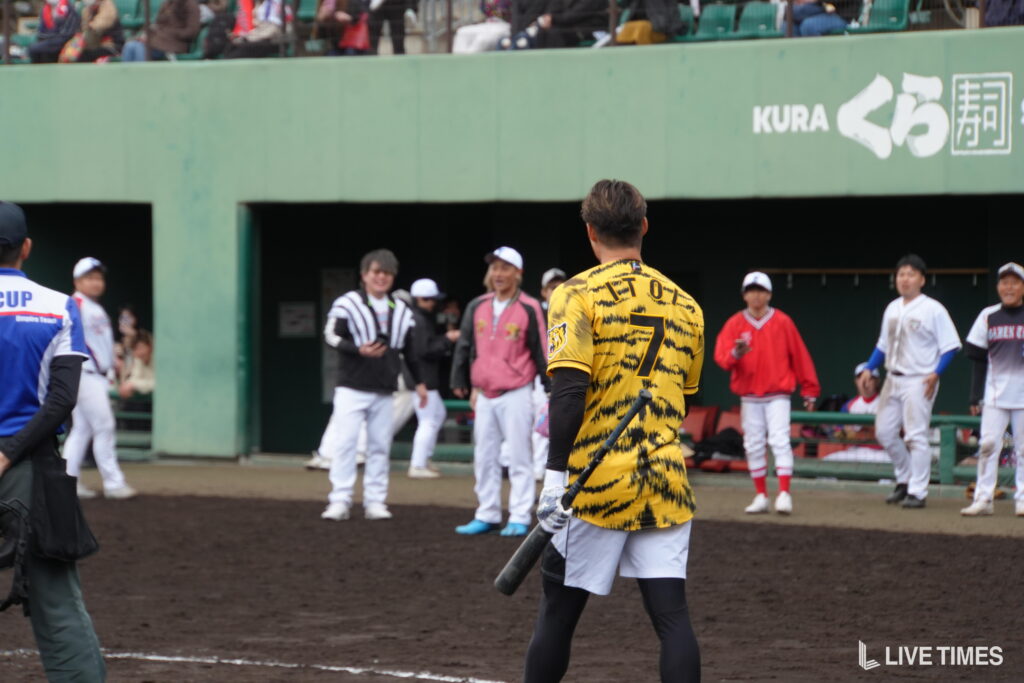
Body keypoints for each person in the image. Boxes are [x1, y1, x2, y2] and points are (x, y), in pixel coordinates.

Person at [523, 179, 704, 682]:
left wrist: (555, 478)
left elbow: (568, 393)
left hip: (593, 481)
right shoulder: (687, 304)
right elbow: (684, 397)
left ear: (590, 233)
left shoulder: (573, 294)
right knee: (673, 620)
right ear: (643, 226)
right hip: (663, 477)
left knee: (557, 616)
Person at [0, 201, 106, 681]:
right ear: (26, 247)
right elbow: (63, 398)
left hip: (22, 464)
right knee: (58, 606)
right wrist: (8, 452)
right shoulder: (58, 305)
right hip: (33, 471)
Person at [319, 249, 427, 522]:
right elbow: (331, 335)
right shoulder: (348, 303)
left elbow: (410, 353)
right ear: (364, 275)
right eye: (376, 272)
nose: (381, 277)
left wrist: (421, 384)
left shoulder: (401, 310)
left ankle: (375, 501)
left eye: (387, 273)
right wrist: (357, 349)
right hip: (351, 388)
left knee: (379, 446)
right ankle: (339, 500)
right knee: (346, 444)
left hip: (384, 389)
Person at [450, 246, 547, 537]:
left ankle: (519, 515)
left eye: (506, 268)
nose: (499, 274)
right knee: (485, 455)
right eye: (495, 268)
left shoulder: (529, 306)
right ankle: (487, 512)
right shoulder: (477, 305)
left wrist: (550, 388)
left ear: (518, 273)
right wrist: (460, 379)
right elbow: (465, 344)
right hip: (485, 391)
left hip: (517, 390)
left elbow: (541, 350)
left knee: (519, 455)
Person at [858, 254, 961, 509]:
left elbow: (951, 346)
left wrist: (936, 373)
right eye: (901, 274)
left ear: (922, 280)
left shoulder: (933, 309)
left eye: (910, 274)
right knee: (884, 432)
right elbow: (882, 344)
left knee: (916, 436)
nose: (904, 279)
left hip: (920, 378)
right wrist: (869, 368)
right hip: (893, 377)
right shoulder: (892, 308)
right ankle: (904, 480)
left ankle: (918, 491)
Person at [713, 271, 820, 515]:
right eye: (751, 290)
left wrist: (810, 390)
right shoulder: (735, 324)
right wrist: (736, 354)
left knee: (780, 441)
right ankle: (761, 495)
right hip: (750, 395)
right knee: (753, 445)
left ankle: (784, 493)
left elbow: (800, 357)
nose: (756, 295)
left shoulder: (782, 321)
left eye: (760, 290)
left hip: (777, 394)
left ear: (769, 294)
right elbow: (721, 358)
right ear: (744, 295)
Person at [63, 257, 138, 501]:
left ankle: (67, 483)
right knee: (104, 425)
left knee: (82, 430)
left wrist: (112, 362)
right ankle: (114, 483)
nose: (96, 282)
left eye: (99, 277)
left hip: (97, 374)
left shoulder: (95, 307)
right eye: (90, 278)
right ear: (77, 281)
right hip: (85, 373)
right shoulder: (75, 303)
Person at [960, 262, 1024, 517]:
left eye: (1014, 282)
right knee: (987, 445)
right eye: (1004, 282)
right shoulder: (988, 315)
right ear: (998, 286)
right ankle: (983, 499)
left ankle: (1022, 500)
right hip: (995, 395)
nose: (1008, 287)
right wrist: (974, 395)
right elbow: (976, 357)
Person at [407, 278, 460, 478]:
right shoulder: (417, 319)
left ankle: (423, 459)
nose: (433, 304)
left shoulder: (420, 317)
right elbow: (424, 350)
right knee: (428, 420)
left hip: (424, 377)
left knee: (438, 413)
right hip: (422, 378)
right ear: (421, 299)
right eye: (430, 300)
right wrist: (448, 339)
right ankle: (417, 465)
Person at [821, 363, 888, 464]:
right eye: (860, 378)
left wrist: (864, 431)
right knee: (825, 463)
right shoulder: (849, 405)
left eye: (870, 378)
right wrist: (844, 433)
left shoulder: (887, 404)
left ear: (877, 381)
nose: (865, 382)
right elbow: (839, 432)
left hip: (881, 453)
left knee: (891, 471)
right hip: (854, 452)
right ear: (856, 381)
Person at [121, 0, 201, 61]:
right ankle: (128, 79)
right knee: (130, 46)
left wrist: (169, 34)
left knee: (140, 48)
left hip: (174, 44)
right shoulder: (167, 3)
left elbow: (191, 31)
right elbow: (158, 24)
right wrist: (146, 35)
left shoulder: (190, 4)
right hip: (158, 41)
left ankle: (142, 78)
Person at [118, 329, 155, 398]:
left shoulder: (161, 358)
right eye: (135, 349)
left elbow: (161, 384)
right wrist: (127, 384)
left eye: (140, 348)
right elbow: (134, 378)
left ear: (150, 346)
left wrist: (133, 385)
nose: (138, 352)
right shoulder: (138, 359)